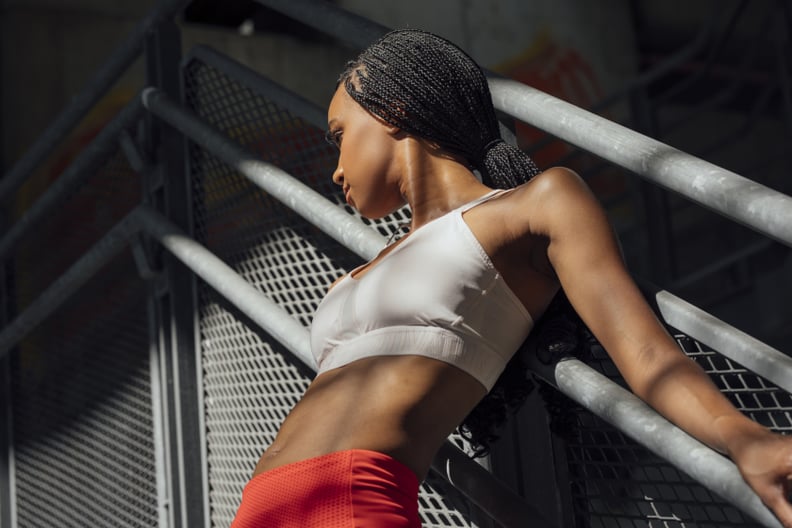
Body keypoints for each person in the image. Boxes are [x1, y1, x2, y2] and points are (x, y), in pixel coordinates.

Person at [231, 29, 792, 528]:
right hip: (258, 504)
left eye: (338, 135)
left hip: (355, 501)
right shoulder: (359, 273)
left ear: (392, 109)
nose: (334, 169)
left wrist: (745, 441)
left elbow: (644, 353)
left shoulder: (534, 206)